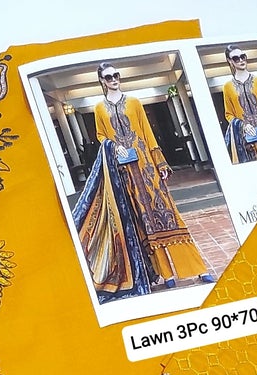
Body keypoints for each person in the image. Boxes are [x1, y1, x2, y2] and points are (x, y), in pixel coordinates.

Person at [72, 63, 212, 298]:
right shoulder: (99, 108)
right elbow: (101, 136)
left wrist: (160, 163)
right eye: (109, 76)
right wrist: (113, 147)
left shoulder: (134, 102)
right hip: (124, 173)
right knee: (144, 223)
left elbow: (147, 133)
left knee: (168, 215)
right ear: (102, 80)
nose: (114, 79)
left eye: (117, 75)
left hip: (146, 168)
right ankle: (166, 274)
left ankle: (197, 268)